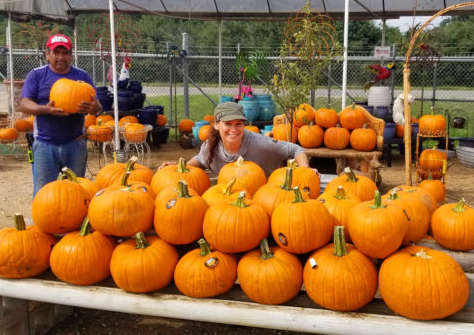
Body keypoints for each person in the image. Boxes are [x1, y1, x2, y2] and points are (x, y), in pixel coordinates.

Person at [20, 33, 102, 196]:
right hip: (44, 144)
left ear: (71, 56)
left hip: (75, 144)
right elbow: (24, 103)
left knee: (76, 194)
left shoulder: (82, 76)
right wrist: (45, 110)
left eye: (65, 53)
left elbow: (98, 107)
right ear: (47, 54)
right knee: (44, 193)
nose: (60, 57)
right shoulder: (37, 75)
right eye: (56, 52)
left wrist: (92, 107)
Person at [160, 102, 311, 176]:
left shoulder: (260, 144)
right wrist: (179, 166)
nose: (234, 129)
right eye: (228, 124)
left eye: (238, 124)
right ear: (217, 125)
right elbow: (200, 160)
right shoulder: (210, 146)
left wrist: (305, 170)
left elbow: (295, 149)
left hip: (265, 198)